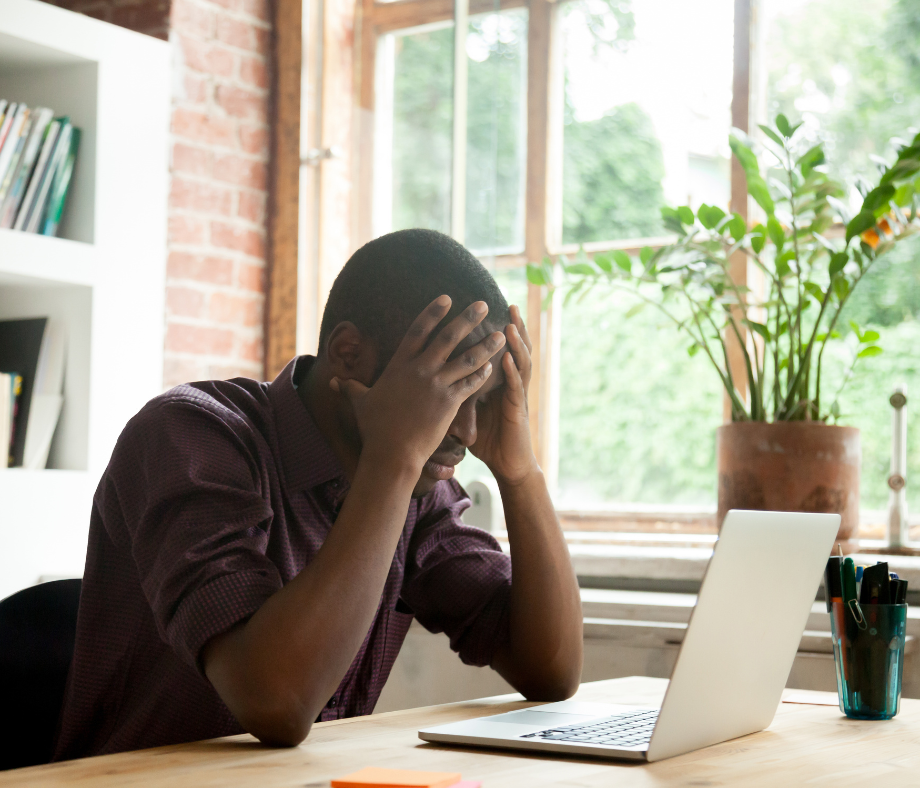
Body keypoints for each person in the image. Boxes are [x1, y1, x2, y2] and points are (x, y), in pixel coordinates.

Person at [53, 229, 583, 760]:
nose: (466, 429)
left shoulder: (417, 488)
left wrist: (521, 472)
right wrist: (393, 462)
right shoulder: (189, 435)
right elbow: (274, 702)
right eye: (443, 386)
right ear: (347, 353)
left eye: (479, 395)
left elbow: (550, 672)